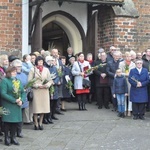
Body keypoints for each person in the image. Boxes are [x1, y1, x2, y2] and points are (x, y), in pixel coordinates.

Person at [0, 66, 26, 146]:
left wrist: (21, 100)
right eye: (13, 71)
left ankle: (13, 137)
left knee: (15, 122)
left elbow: (23, 92)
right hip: (8, 104)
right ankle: (6, 138)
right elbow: (3, 93)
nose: (15, 73)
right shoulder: (5, 81)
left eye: (15, 71)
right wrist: (14, 100)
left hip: (17, 105)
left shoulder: (18, 81)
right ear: (9, 72)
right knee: (8, 122)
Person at [28, 56, 53, 130]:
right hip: (36, 91)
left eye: (41, 61)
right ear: (36, 62)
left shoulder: (46, 70)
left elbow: (50, 80)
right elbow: (29, 81)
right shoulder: (33, 70)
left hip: (44, 91)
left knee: (43, 108)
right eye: (39, 61)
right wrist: (37, 85)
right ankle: (35, 123)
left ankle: (41, 123)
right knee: (36, 108)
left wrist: (47, 85)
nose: (40, 63)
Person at [11, 59, 28, 138]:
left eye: (20, 66)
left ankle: (19, 131)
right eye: (17, 66)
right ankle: (13, 132)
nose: (19, 68)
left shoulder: (24, 75)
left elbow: (27, 84)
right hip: (15, 99)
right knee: (15, 116)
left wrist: (26, 89)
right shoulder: (12, 75)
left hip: (23, 98)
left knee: (21, 116)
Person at [119, 52, 136, 116]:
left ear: (131, 57)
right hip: (123, 81)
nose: (128, 57)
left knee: (130, 95)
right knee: (124, 95)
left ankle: (129, 110)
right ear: (125, 57)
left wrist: (129, 75)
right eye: (126, 56)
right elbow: (119, 72)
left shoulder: (133, 64)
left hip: (130, 81)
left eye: (129, 56)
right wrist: (126, 74)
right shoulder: (121, 63)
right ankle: (124, 109)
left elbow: (134, 73)